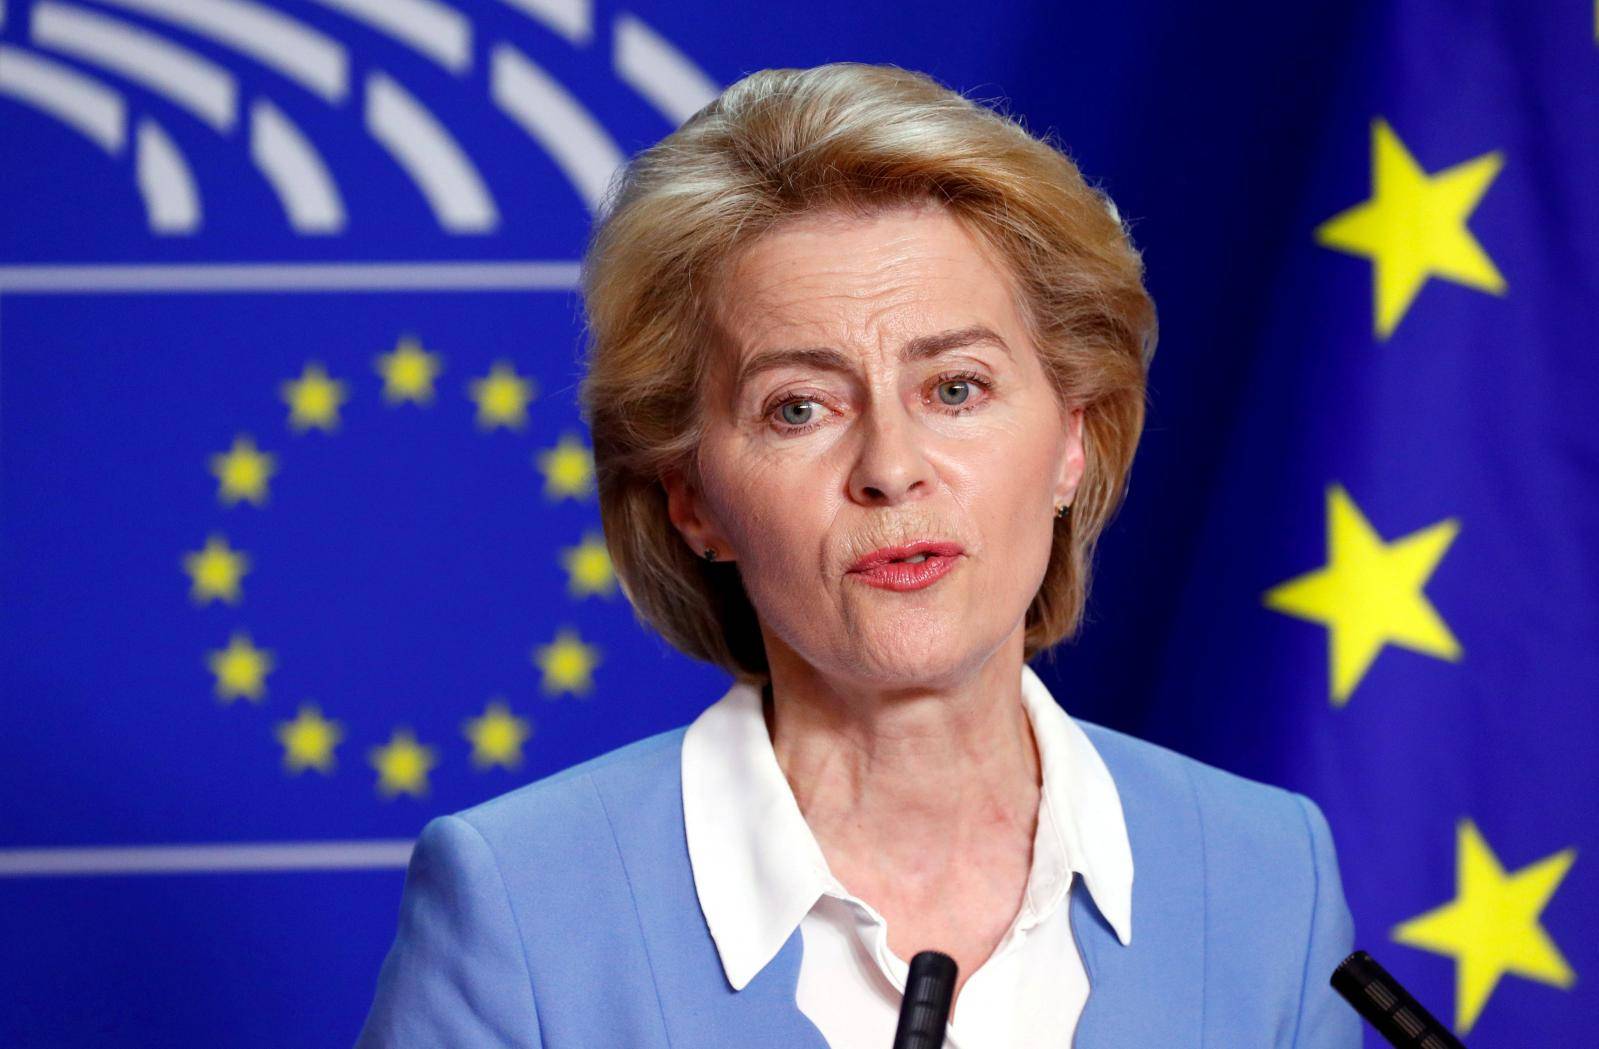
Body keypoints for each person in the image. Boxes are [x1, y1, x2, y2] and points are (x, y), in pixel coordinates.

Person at [354, 63, 1358, 1048]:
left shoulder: (1268, 874)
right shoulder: (523, 905)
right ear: (693, 497)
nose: (890, 466)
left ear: (1072, 440)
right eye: (800, 407)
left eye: (956, 388)